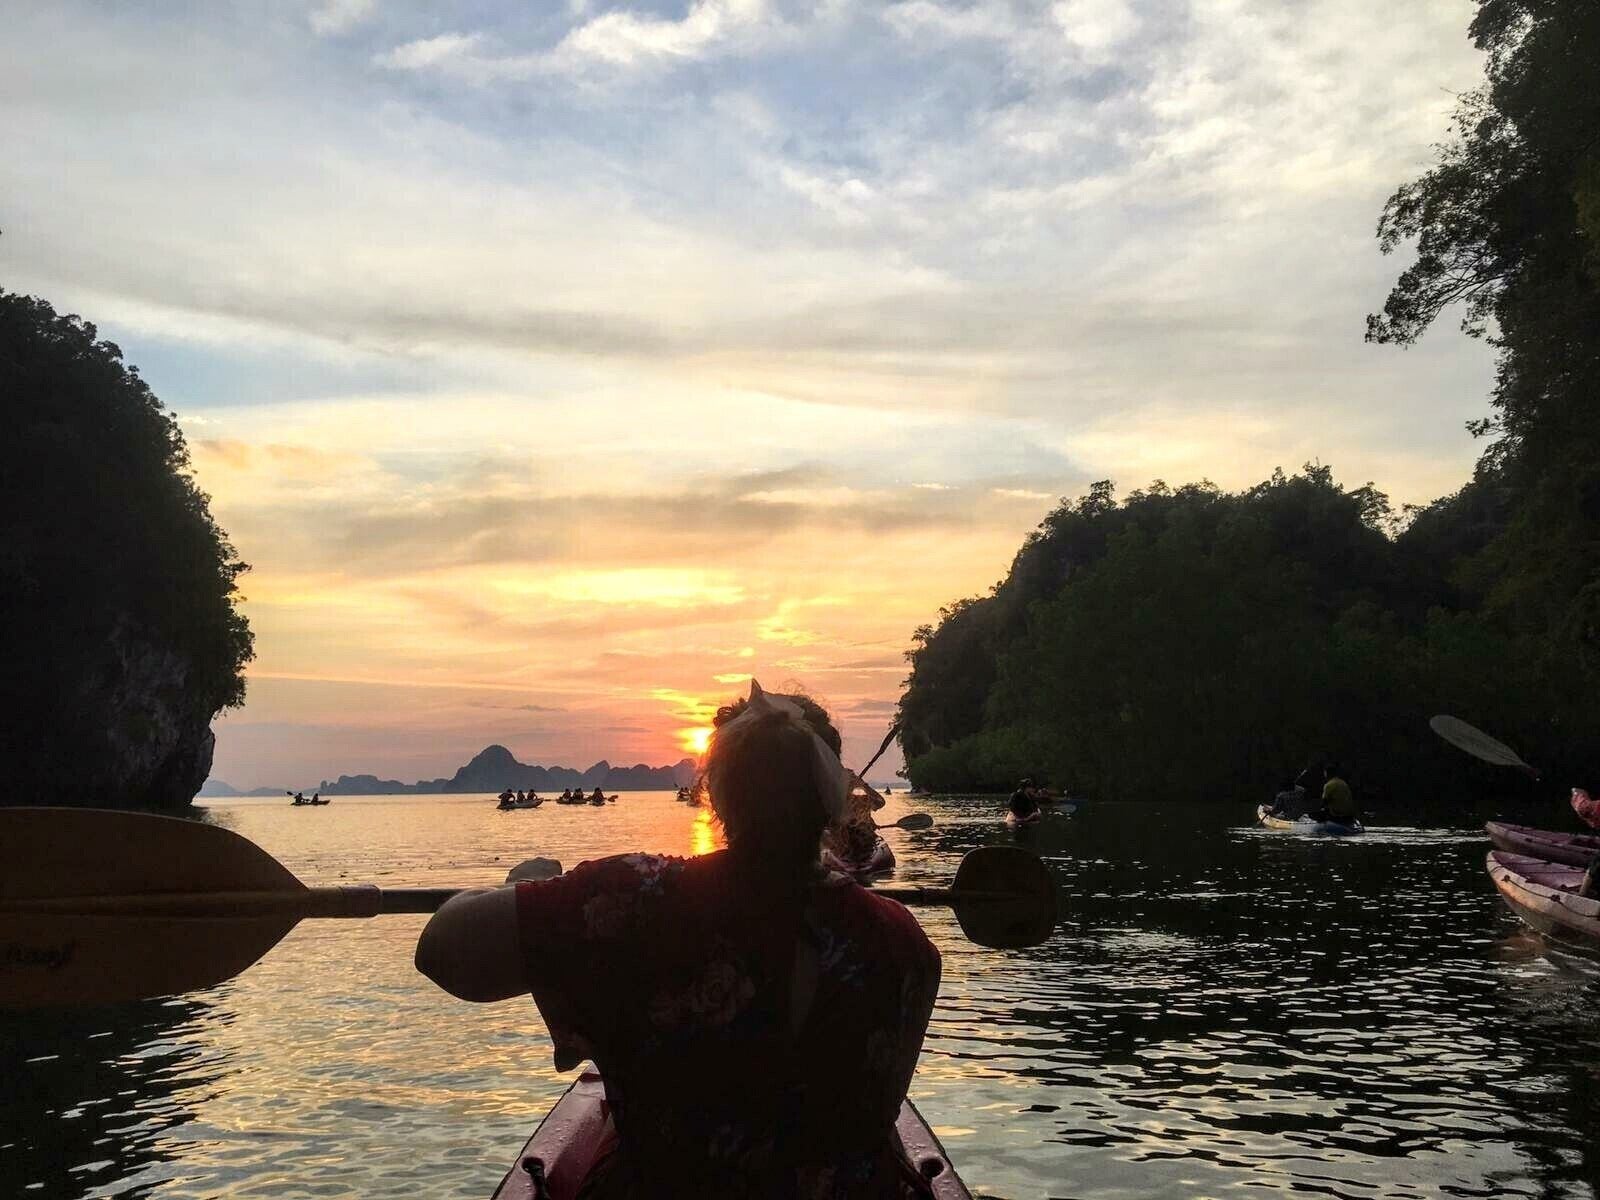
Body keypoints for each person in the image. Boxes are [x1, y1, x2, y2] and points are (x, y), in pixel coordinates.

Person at [415, 680, 942, 1197]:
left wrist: (530, 887)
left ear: (716, 792)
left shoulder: (631, 898)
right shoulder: (905, 945)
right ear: (833, 799)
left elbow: (441, 950)